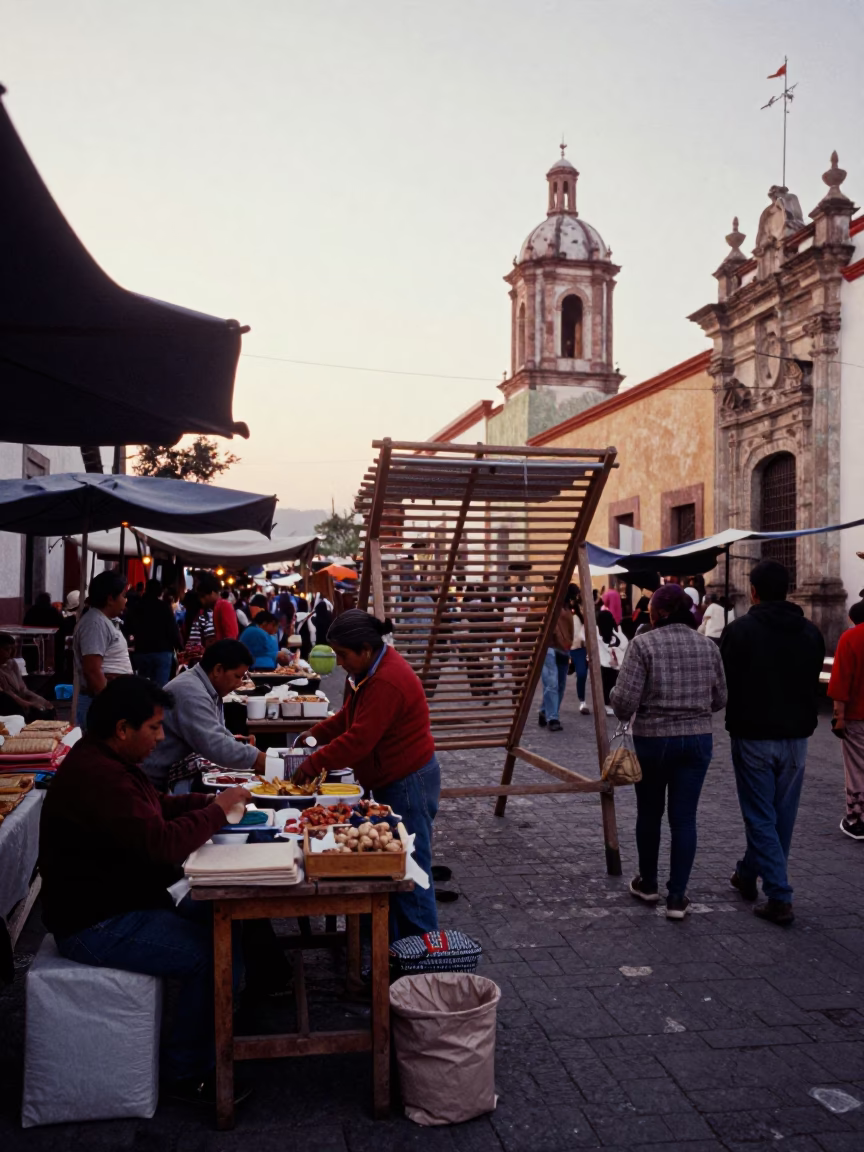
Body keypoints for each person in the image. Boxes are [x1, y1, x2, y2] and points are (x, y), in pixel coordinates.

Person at [39, 676, 252, 1104]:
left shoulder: (107, 762)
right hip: (95, 923)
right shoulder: (101, 777)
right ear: (122, 729)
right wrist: (214, 812)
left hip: (126, 899)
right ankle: (190, 1070)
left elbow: (153, 809)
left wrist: (205, 803)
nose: (160, 738)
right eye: (154, 728)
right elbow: (161, 845)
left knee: (224, 921)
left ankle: (226, 1021)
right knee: (213, 955)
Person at [298, 610, 439, 938]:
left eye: (344, 655)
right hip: (392, 778)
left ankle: (422, 956)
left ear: (365, 649)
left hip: (409, 780)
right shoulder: (366, 672)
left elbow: (359, 739)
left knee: (409, 867)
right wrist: (314, 736)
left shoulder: (386, 680)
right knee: (390, 868)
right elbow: (348, 718)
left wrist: (313, 762)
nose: (341, 663)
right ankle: (391, 949)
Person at [611, 583, 727, 919]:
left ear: (659, 611)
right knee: (684, 818)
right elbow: (720, 698)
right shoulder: (707, 646)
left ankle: (648, 884)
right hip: (696, 741)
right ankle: (677, 898)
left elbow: (623, 702)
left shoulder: (643, 644)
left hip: (653, 740)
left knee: (649, 812)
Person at [720, 559, 825, 926]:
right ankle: (748, 873)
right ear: (788, 589)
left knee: (761, 815)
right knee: (780, 816)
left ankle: (779, 894)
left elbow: (726, 679)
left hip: (753, 735)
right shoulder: (811, 633)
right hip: (797, 735)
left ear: (753, 592)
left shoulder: (739, 631)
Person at [142, 639, 268, 792]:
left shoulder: (209, 688)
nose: (240, 683)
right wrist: (259, 759)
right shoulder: (190, 691)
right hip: (156, 782)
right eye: (237, 676)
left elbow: (221, 735)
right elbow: (215, 744)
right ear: (218, 670)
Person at [73, 571, 133, 728]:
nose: (125, 600)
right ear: (110, 599)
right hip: (99, 702)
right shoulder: (95, 623)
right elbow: (92, 670)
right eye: (123, 595)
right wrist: (109, 704)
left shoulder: (103, 621)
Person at [826, 599, 864, 840]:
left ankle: (857, 818)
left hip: (857, 715)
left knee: (857, 767)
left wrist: (838, 716)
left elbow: (840, 681)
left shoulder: (851, 638)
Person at [126, 578, 183, 688]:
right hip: (162, 651)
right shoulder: (164, 607)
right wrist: (179, 646)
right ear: (160, 592)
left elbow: (129, 627)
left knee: (143, 687)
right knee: (160, 689)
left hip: (142, 651)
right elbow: (172, 628)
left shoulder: (137, 607)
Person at [0, 633, 54, 719]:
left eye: (12, 649)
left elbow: (23, 689)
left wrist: (41, 700)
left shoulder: (12, 664)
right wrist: (29, 704)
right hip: (8, 707)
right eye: (6, 649)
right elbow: (8, 695)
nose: (10, 653)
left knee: (48, 710)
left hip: (20, 701)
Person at [539, 601, 574, 732]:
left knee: (560, 684)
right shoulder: (546, 602)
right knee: (552, 682)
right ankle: (553, 717)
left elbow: (571, 629)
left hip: (564, 648)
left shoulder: (568, 605)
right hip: (549, 647)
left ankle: (544, 711)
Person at [597, 602, 629, 716]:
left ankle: (608, 704)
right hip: (616, 665)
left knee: (607, 685)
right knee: (613, 684)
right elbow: (624, 643)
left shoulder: (598, 632)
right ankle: (610, 704)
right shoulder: (616, 632)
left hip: (604, 665)